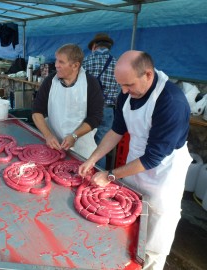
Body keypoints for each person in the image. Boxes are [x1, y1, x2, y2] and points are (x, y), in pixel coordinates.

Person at [78, 50, 191, 270]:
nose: (124, 91)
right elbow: (116, 131)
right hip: (134, 164)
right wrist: (93, 158)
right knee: (128, 221)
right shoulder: (127, 94)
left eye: (128, 85)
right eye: (121, 85)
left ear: (148, 75)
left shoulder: (171, 102)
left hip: (163, 175)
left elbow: (152, 158)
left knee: (154, 236)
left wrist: (111, 175)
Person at [32, 43, 104, 159]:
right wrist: (48, 135)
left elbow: (95, 117)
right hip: (53, 145)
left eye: (61, 62)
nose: (56, 65)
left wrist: (74, 136)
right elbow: (37, 112)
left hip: (82, 146)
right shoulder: (50, 81)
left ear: (75, 66)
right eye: (56, 61)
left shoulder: (90, 83)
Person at [82, 33, 120, 169]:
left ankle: (80, 170)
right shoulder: (117, 63)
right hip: (108, 109)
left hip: (88, 108)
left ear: (94, 47)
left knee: (83, 142)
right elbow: (120, 90)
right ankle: (97, 175)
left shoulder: (86, 62)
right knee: (101, 147)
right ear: (109, 47)